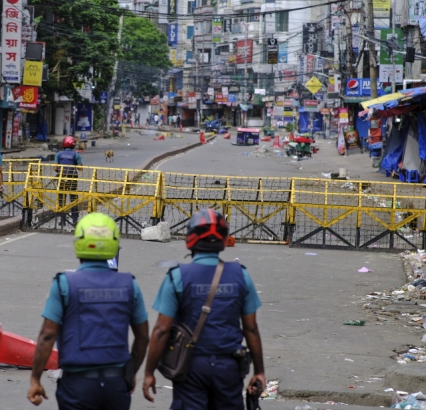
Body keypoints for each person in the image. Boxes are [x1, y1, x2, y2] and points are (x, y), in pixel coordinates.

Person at [143, 208, 265, 409]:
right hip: (229, 367)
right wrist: (259, 371)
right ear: (224, 240)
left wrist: (149, 373)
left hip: (190, 368)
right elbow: (251, 328)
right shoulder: (241, 276)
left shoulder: (177, 277)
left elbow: (161, 330)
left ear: (190, 238)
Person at [27, 212, 150, 409]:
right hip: (116, 385)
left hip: (76, 386)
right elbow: (143, 337)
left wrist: (35, 378)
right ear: (114, 244)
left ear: (79, 243)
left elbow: (47, 335)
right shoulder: (129, 285)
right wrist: (130, 373)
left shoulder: (64, 284)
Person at [54, 136, 82, 225]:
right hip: (72, 178)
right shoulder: (76, 154)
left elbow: (55, 168)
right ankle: (75, 219)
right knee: (73, 198)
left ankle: (62, 220)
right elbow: (80, 168)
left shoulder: (58, 154)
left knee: (61, 198)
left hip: (61, 178)